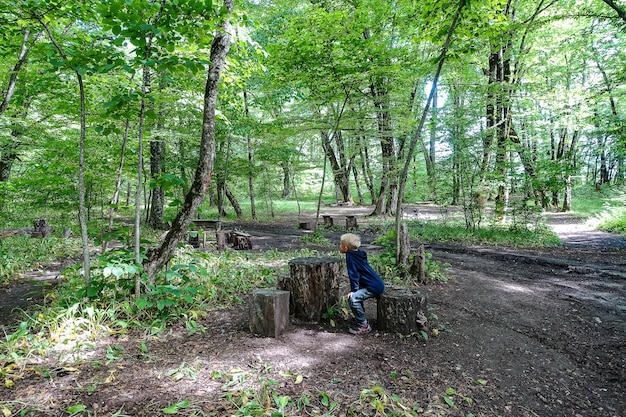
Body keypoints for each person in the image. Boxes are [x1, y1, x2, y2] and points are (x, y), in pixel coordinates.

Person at [339, 233, 385, 335]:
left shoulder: (350, 256)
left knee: (353, 298)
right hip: (376, 283)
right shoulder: (359, 253)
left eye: (340, 244)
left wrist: (354, 290)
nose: (339, 246)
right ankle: (361, 318)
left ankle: (363, 325)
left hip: (373, 286)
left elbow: (354, 274)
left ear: (346, 248)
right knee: (356, 297)